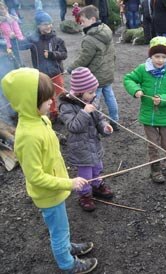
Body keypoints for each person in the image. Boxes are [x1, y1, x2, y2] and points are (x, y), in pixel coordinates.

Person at [2, 68, 98, 273]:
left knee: (62, 227)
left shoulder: (41, 119)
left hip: (56, 190)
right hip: (48, 194)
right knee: (59, 232)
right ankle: (67, 264)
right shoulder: (27, 136)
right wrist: (69, 183)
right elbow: (35, 176)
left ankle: (67, 247)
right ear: (29, 101)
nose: (51, 103)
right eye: (46, 100)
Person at [123, 36, 166, 184]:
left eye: (163, 56)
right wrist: (135, 90)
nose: (160, 60)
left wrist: (163, 99)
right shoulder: (143, 69)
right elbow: (128, 79)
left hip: (165, 116)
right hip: (148, 116)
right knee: (153, 144)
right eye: (157, 56)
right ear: (151, 55)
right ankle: (155, 170)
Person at [59, 67, 114, 212]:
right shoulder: (66, 106)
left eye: (94, 91)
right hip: (80, 147)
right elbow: (72, 126)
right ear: (79, 92)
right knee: (85, 173)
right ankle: (84, 195)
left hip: (94, 143)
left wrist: (105, 127)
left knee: (97, 167)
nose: (94, 94)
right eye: (90, 92)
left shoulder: (93, 101)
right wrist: (84, 112)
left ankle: (96, 185)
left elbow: (99, 119)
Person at [67, 5, 120, 131]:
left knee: (93, 100)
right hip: (108, 72)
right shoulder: (105, 30)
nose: (81, 24)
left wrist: (70, 68)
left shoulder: (90, 39)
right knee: (110, 97)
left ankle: (94, 122)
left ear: (92, 19)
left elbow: (84, 59)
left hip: (95, 76)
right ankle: (115, 120)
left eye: (83, 21)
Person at [22, 10, 67, 123]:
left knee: (60, 94)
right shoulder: (33, 40)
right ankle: (53, 113)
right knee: (48, 95)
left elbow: (64, 54)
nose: (49, 26)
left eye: (50, 23)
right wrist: (12, 38)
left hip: (56, 73)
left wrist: (52, 54)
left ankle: (65, 113)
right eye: (45, 24)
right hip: (42, 75)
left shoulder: (57, 40)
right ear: (38, 25)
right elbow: (21, 45)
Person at [0, 2, 24, 66]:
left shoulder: (12, 18)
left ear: (6, 9)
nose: (1, 11)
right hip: (3, 43)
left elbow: (17, 30)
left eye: (2, 9)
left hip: (14, 41)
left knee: (17, 57)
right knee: (7, 61)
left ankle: (20, 66)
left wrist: (19, 37)